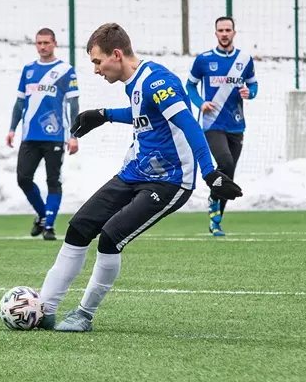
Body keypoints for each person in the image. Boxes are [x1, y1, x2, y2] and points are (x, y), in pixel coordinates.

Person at [37, 23, 243, 332]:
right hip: (135, 172)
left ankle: (84, 314)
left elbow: (189, 124)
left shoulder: (158, 82)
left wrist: (209, 172)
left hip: (171, 181)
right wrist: (104, 115)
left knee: (110, 238)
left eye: (97, 61)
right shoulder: (133, 82)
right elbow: (142, 113)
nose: (96, 70)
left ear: (116, 55)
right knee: (79, 227)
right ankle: (44, 309)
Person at [185, 16, 258, 236]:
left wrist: (249, 93)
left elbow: (253, 86)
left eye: (228, 30)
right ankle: (214, 202)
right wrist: (200, 103)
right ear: (215, 33)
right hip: (212, 124)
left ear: (234, 32)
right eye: (221, 30)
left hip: (236, 125)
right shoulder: (204, 60)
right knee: (225, 162)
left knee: (229, 174)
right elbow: (190, 86)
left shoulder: (244, 59)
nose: (224, 34)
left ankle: (216, 220)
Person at [6, 27, 80, 241]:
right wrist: (12, 128)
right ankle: (41, 214)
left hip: (55, 135)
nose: (43, 47)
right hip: (30, 134)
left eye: (46, 42)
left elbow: (74, 104)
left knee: (53, 180)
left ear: (54, 44)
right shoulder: (28, 70)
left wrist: (74, 135)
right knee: (23, 178)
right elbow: (20, 102)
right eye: (39, 43)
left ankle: (49, 225)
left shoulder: (66, 70)